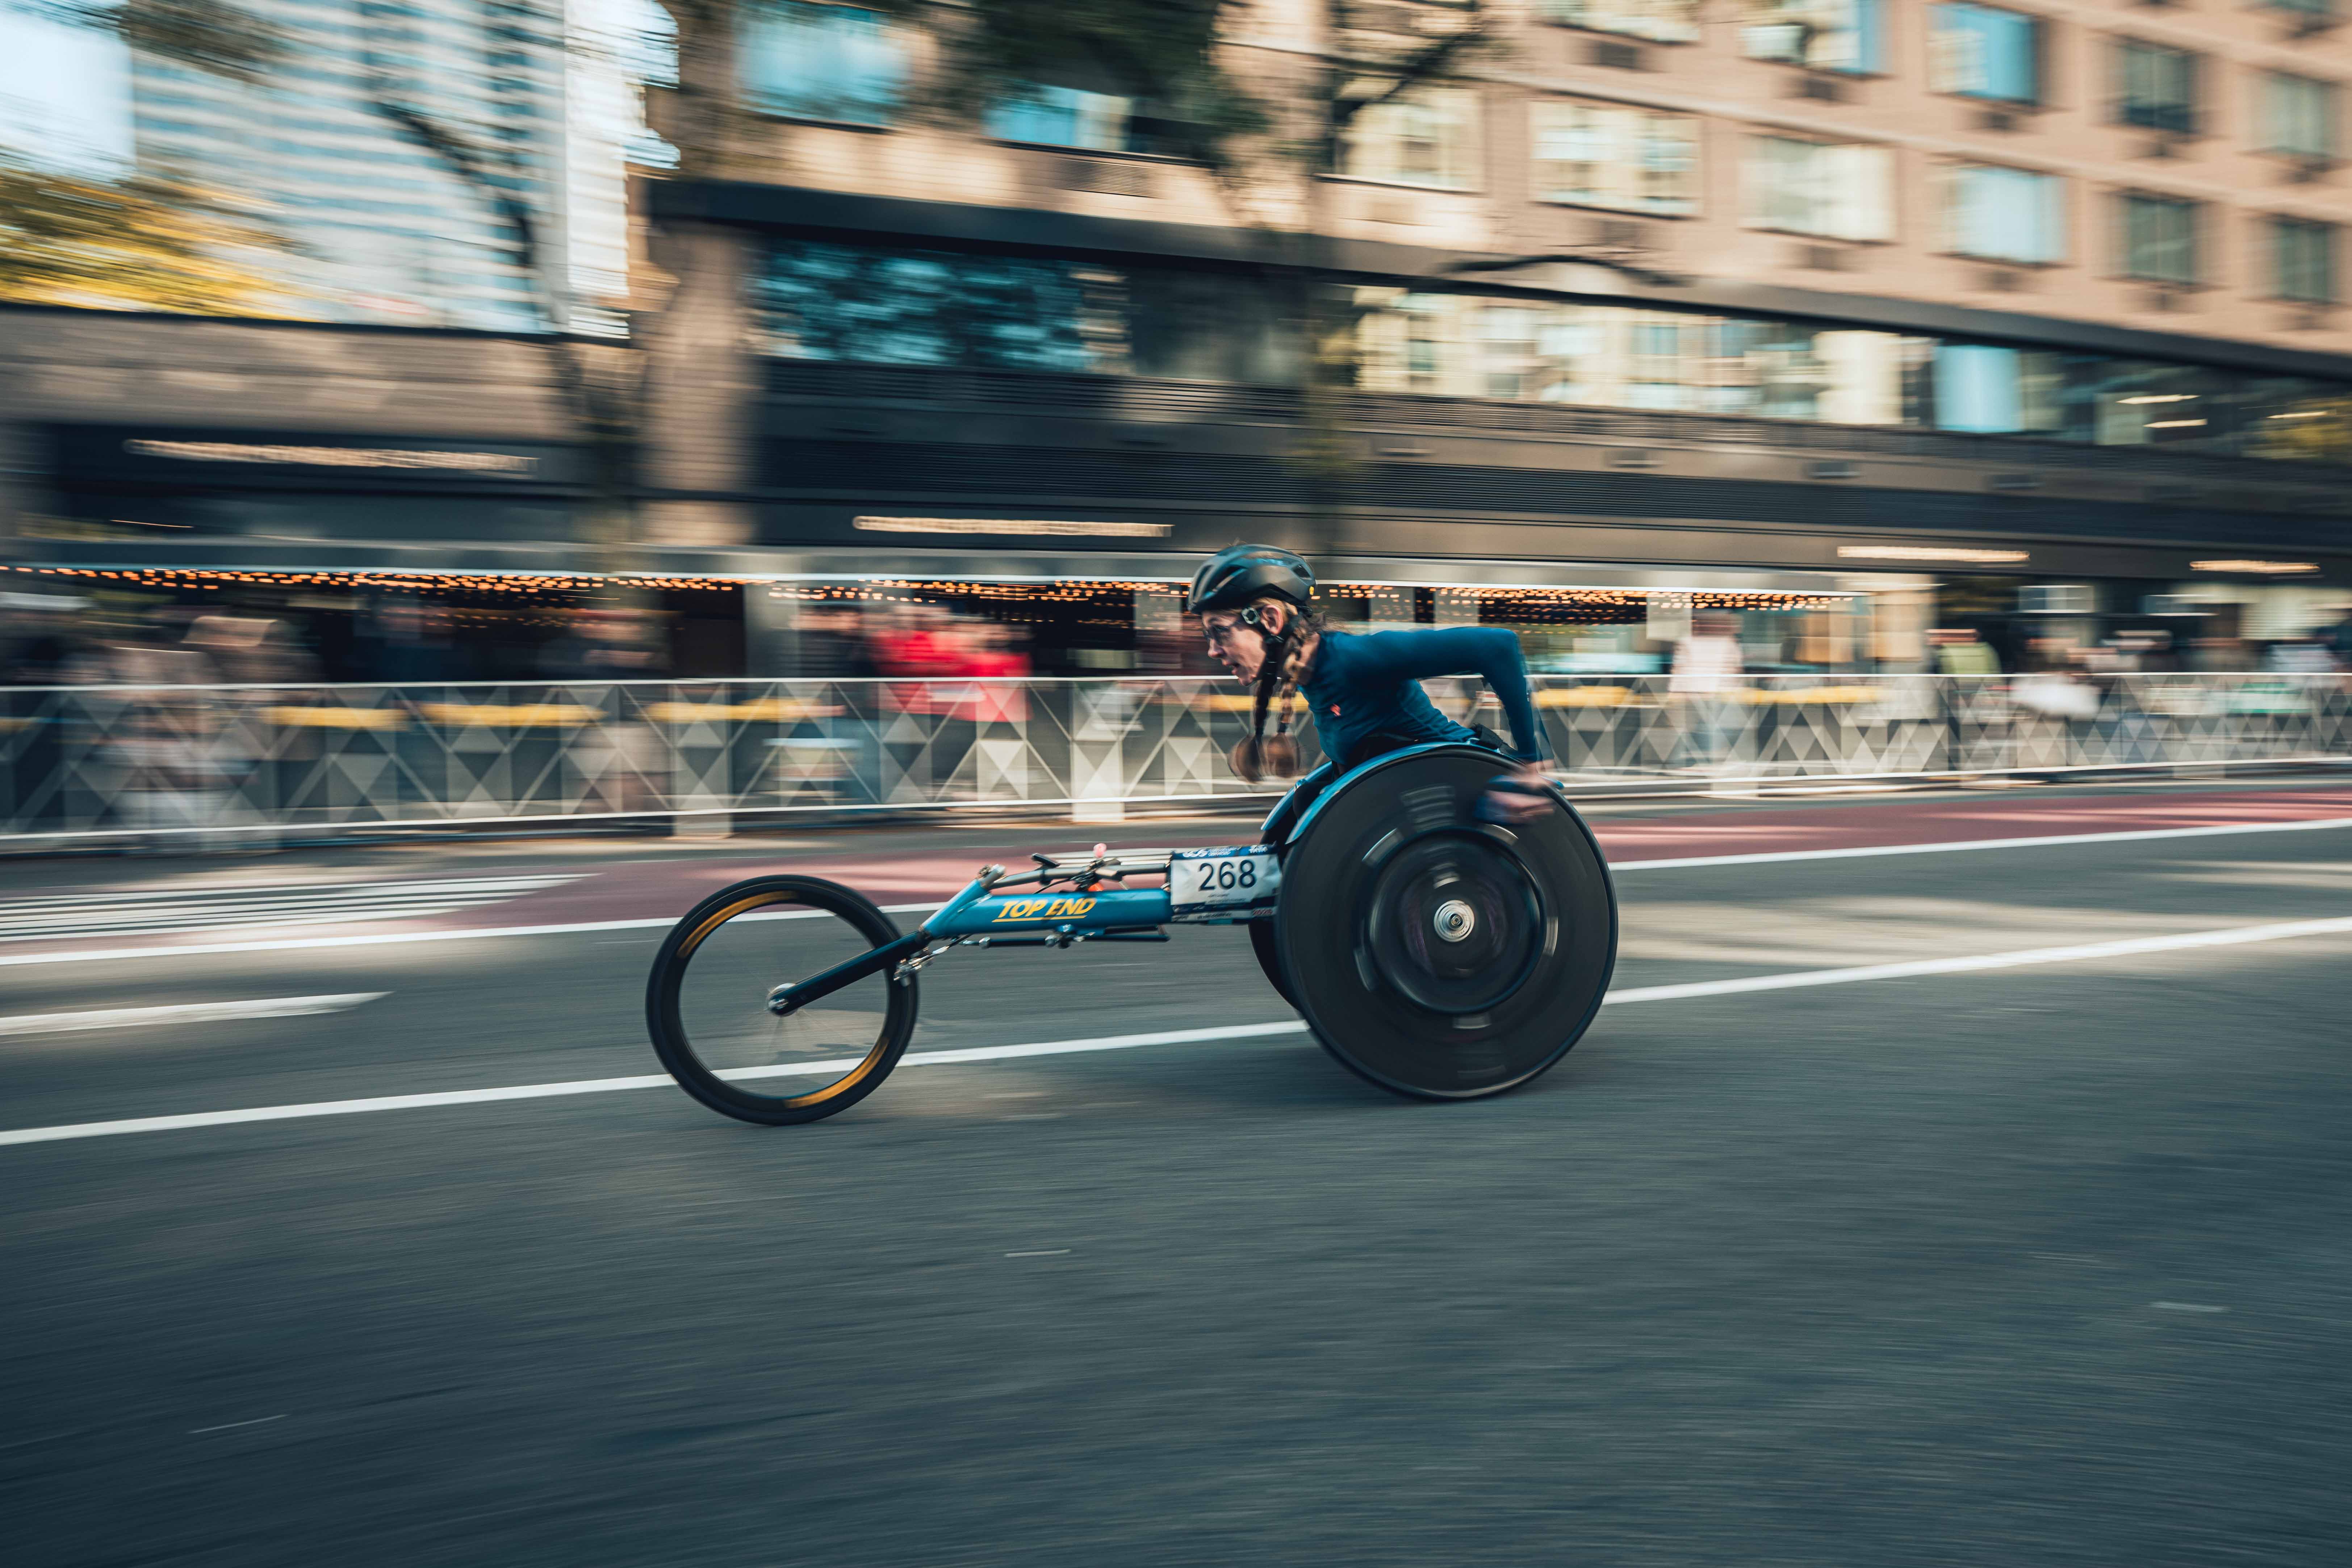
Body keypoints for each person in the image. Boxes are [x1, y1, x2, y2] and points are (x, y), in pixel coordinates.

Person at [1185, 544, 1552, 823]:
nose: (1214, 651)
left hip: (1461, 786)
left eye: (1219, 633)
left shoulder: (1352, 656)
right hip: (1406, 799)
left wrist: (1531, 763)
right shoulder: (1308, 672)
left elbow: (1499, 647)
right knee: (1304, 801)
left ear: (1269, 619)